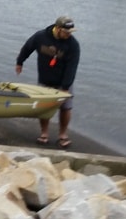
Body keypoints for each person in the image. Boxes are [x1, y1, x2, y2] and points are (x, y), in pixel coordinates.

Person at [15, 16, 81, 148]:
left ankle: (63, 135)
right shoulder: (41, 37)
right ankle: (44, 133)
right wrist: (20, 62)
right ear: (58, 28)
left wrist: (65, 87)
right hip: (45, 79)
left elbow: (72, 67)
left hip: (64, 81)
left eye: (71, 32)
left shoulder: (73, 45)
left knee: (66, 107)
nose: (69, 35)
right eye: (66, 32)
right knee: (45, 107)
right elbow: (28, 47)